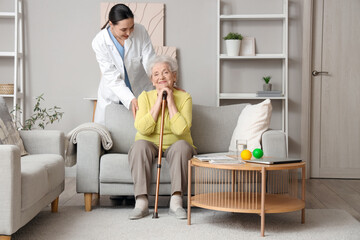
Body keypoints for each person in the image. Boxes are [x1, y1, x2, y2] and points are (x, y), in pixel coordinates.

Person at [128, 56, 197, 220]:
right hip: (149, 144)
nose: (161, 77)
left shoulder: (185, 98)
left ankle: (176, 201)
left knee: (182, 146)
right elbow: (143, 128)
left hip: (177, 144)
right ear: (152, 80)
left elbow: (180, 130)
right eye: (156, 74)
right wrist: (159, 101)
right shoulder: (145, 97)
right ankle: (141, 202)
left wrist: (171, 101)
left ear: (174, 76)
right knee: (139, 146)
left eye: (165, 72)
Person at [92, 4, 156, 125]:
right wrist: (130, 99)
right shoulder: (99, 42)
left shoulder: (140, 31)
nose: (129, 32)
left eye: (131, 27)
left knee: (140, 132)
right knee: (109, 136)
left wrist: (161, 82)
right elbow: (112, 77)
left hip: (141, 91)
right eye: (123, 30)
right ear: (111, 24)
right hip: (113, 95)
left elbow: (150, 62)